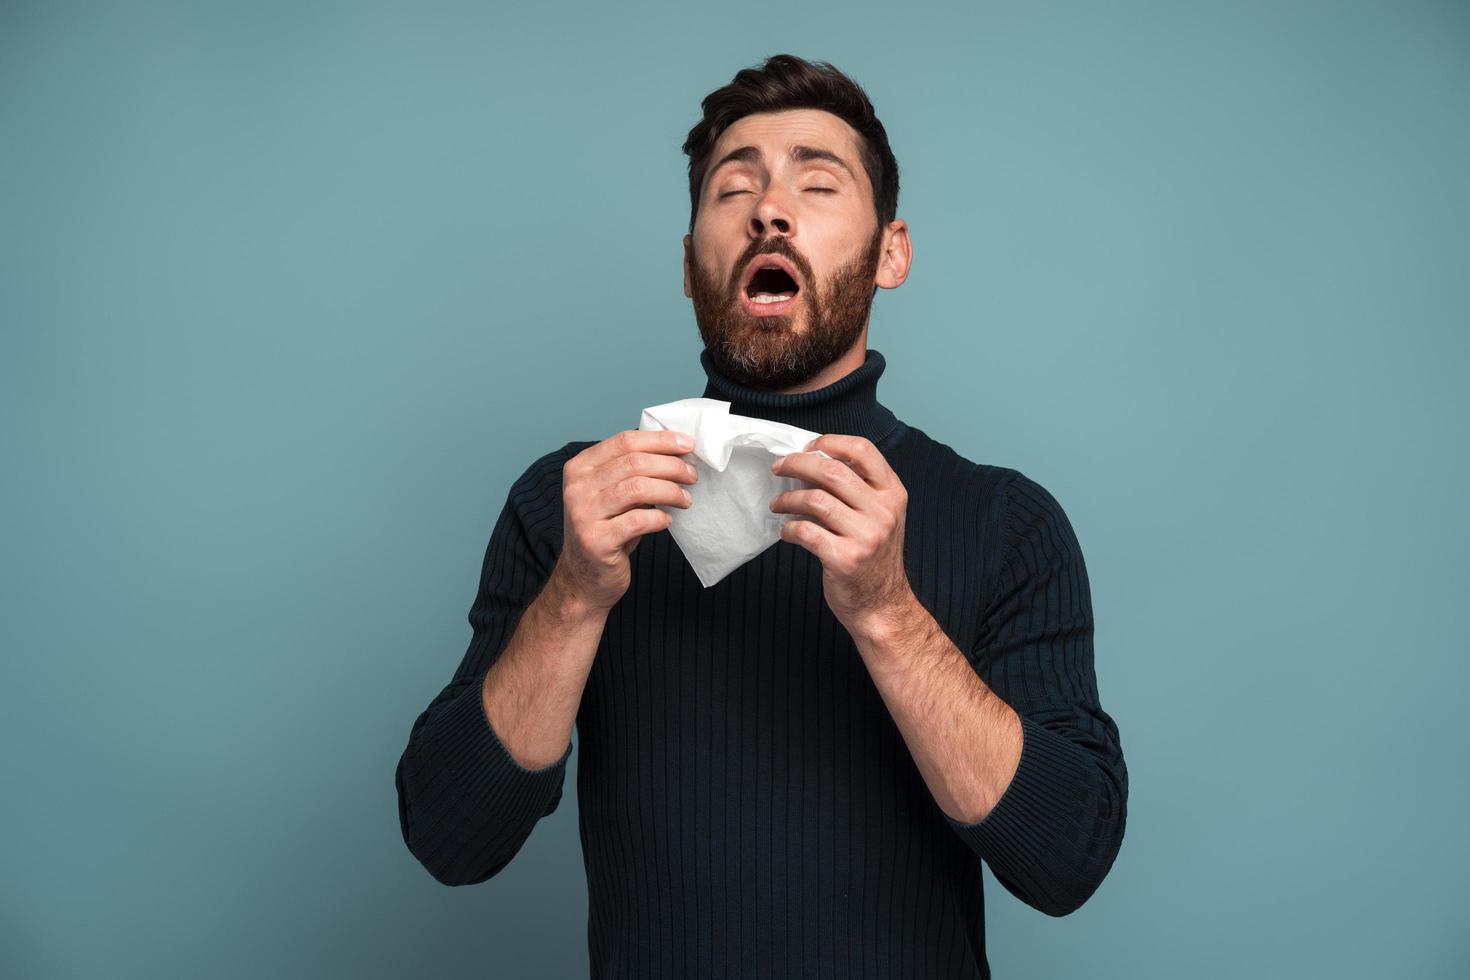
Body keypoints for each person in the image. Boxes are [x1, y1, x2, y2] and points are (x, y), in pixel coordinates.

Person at [395, 53, 1127, 979]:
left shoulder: (1005, 522)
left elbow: (1067, 860)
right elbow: (450, 840)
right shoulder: (572, 507)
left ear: (890, 253)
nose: (768, 209)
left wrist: (888, 615)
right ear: (691, 267)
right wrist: (576, 596)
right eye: (732, 188)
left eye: (817, 184)